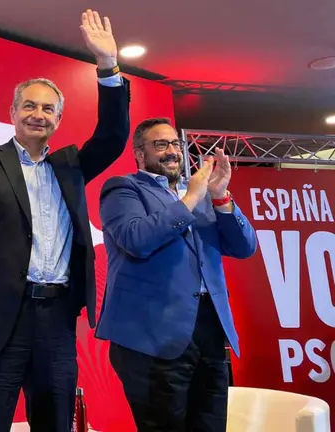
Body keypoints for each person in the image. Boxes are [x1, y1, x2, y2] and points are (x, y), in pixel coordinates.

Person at [0, 9, 130, 432]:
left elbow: (114, 136)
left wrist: (107, 65)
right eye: (29, 105)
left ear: (58, 119)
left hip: (56, 320)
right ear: (12, 112)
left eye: (48, 108)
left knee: (56, 424)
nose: (38, 114)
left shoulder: (71, 166)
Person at [95, 117, 257, 431]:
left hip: (208, 333)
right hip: (152, 337)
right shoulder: (123, 189)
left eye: (174, 144)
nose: (172, 152)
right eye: (161, 145)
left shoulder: (203, 194)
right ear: (140, 154)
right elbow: (136, 239)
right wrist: (192, 198)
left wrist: (220, 196)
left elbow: (245, 247)